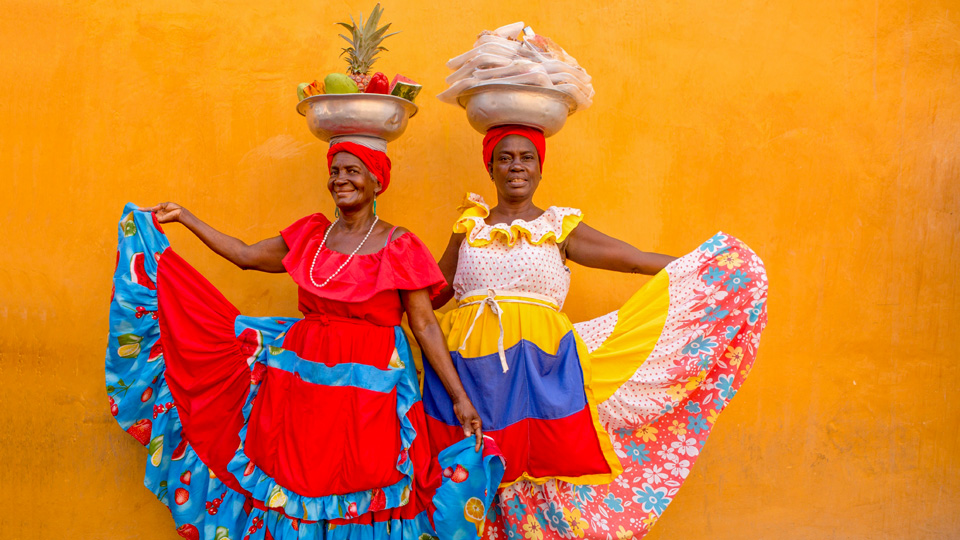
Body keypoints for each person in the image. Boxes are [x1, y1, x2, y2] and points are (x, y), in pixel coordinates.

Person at [106, 137, 501, 540]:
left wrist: (459, 397)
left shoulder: (399, 244)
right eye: (335, 171)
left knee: (366, 484)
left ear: (376, 181)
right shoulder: (311, 235)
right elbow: (245, 255)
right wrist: (186, 218)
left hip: (370, 393)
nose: (341, 180)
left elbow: (425, 325)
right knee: (297, 484)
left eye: (352, 171)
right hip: (299, 388)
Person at [418, 125, 768, 539]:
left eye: (526, 158)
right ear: (489, 167)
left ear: (540, 169)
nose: (516, 166)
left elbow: (632, 260)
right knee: (472, 474)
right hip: (472, 373)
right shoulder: (469, 227)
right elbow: (431, 296)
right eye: (505, 157)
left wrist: (703, 268)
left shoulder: (558, 227)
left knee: (538, 474)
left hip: (542, 370)